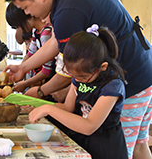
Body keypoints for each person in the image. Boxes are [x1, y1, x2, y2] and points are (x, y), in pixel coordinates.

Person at [4, 0, 152, 159]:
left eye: (25, 8)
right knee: (140, 145)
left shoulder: (67, 10)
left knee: (125, 147)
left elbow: (70, 71)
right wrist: (24, 67)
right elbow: (57, 41)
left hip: (130, 79)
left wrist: (40, 92)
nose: (27, 13)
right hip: (144, 67)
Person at [28, 25, 128, 159]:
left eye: (82, 77)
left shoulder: (112, 86)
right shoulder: (80, 76)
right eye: (73, 76)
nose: (77, 81)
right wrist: (37, 106)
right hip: (82, 143)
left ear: (102, 67)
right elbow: (67, 107)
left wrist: (48, 109)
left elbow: (89, 126)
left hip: (105, 147)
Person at [6, 2, 54, 93]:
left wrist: (26, 83)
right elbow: (30, 53)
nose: (19, 30)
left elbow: (47, 70)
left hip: (50, 85)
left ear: (29, 15)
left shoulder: (46, 34)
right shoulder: (36, 31)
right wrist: (19, 69)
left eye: (18, 26)